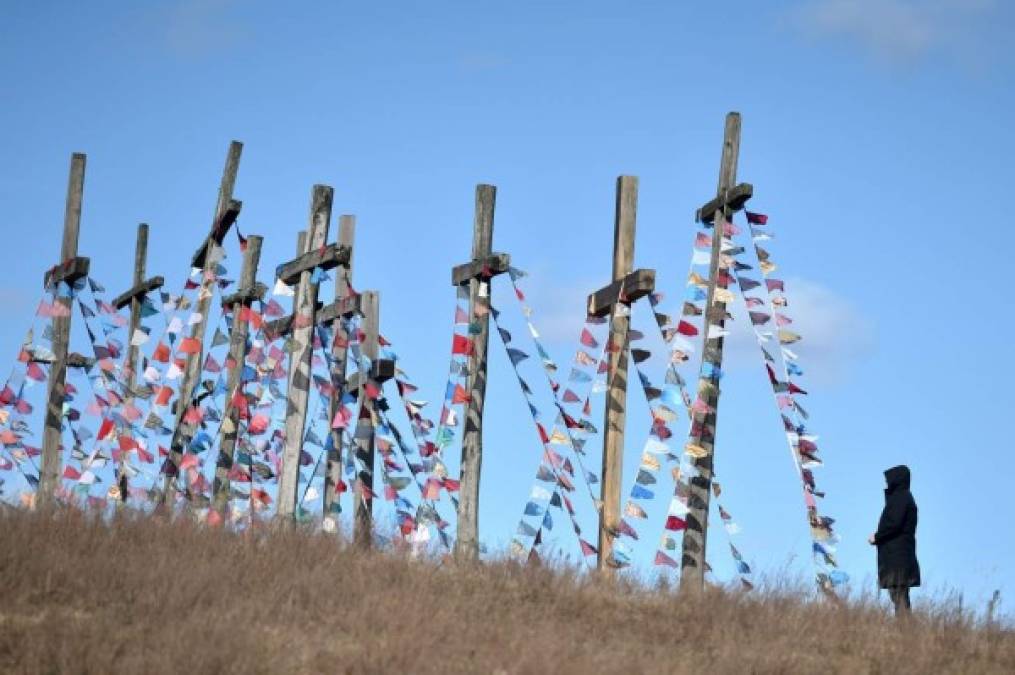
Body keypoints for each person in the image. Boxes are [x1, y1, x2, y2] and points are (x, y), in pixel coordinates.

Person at [868, 465, 920, 616]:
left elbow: (894, 523)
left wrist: (877, 537)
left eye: (889, 481)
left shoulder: (901, 498)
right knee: (899, 596)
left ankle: (905, 628)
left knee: (899, 596)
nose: (887, 484)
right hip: (899, 556)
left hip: (898, 558)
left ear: (897, 481)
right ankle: (904, 628)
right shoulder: (902, 498)